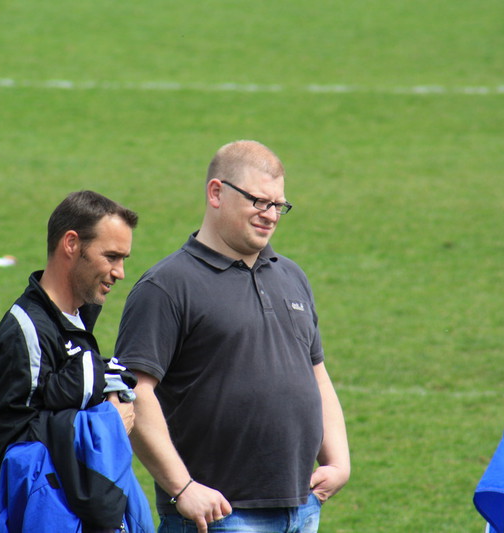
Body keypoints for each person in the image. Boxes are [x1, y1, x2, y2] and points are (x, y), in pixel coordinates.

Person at [115, 140, 351, 533]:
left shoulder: (291, 276)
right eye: (259, 201)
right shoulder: (168, 285)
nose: (270, 215)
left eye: (278, 205)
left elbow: (317, 374)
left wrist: (339, 461)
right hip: (218, 516)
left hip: (302, 508)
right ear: (216, 193)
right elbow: (134, 392)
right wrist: (182, 488)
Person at [0, 191, 153, 533]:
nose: (120, 272)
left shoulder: (75, 318)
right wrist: (106, 425)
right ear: (71, 244)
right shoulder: (25, 333)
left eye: (123, 259)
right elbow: (14, 450)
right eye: (111, 257)